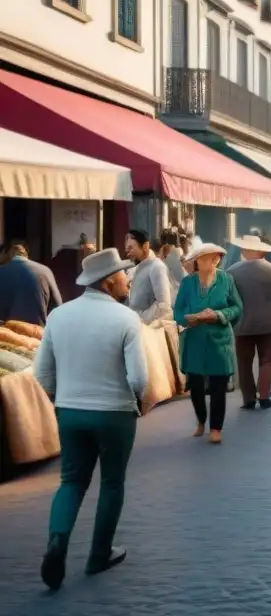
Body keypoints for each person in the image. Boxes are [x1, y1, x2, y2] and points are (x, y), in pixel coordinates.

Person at [34, 248, 147, 590]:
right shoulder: (127, 319)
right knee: (112, 483)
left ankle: (57, 540)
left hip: (70, 412)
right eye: (124, 275)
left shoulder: (59, 316)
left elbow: (41, 373)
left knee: (71, 481)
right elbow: (139, 379)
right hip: (114, 413)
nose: (128, 279)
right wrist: (134, 402)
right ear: (110, 282)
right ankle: (99, 554)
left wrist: (61, 398)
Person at [174, 242, 242, 444]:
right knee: (195, 386)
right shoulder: (188, 283)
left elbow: (237, 307)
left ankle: (215, 428)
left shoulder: (227, 280)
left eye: (209, 258)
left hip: (219, 340)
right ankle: (201, 420)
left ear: (216, 259)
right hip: (195, 338)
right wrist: (190, 318)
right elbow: (177, 311)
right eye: (200, 259)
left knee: (218, 385)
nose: (203, 262)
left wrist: (220, 314)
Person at [227, 235, 271, 411]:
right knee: (267, 360)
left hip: (242, 324)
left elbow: (226, 300)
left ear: (246, 251)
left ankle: (248, 398)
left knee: (244, 362)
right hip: (268, 323)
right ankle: (264, 396)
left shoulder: (232, 272)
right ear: (260, 250)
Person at [0, 241, 62, 326]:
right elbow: (57, 307)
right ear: (26, 255)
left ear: (6, 254)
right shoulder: (45, 271)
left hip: (6, 335)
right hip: (37, 334)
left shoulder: (2, 271)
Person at [125, 229, 173, 323]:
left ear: (145, 246)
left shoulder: (157, 267)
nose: (128, 252)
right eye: (127, 248)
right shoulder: (134, 268)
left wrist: (139, 318)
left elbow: (164, 306)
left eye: (131, 248)